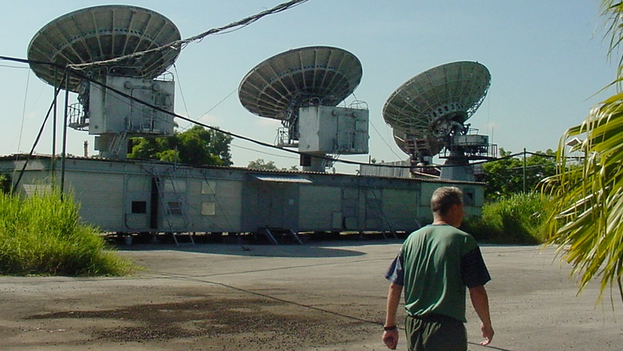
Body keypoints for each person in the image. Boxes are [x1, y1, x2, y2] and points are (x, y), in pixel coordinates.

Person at [382, 186, 494, 351]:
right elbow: (476, 289)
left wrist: (389, 327)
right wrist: (486, 323)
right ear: (454, 208)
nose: (464, 213)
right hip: (446, 328)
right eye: (462, 207)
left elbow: (395, 285)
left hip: (414, 326)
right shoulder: (463, 241)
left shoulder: (411, 240)